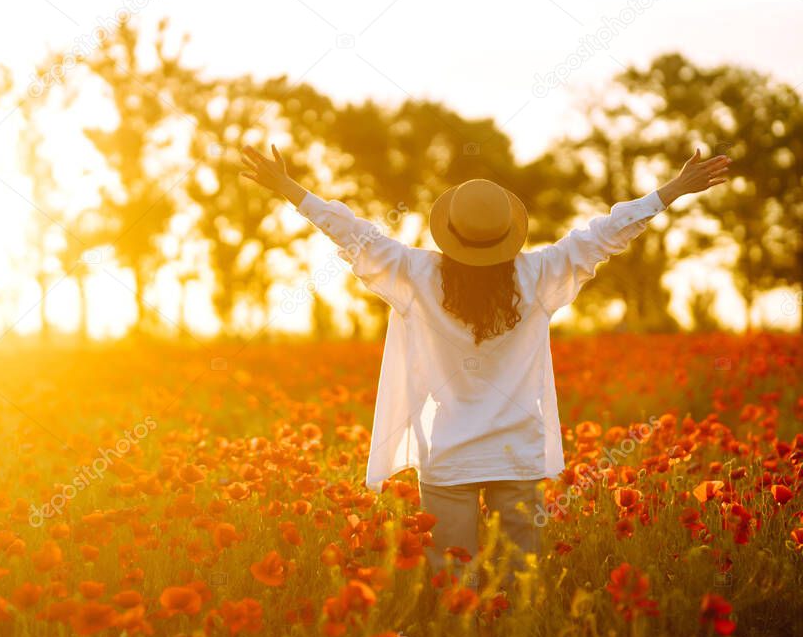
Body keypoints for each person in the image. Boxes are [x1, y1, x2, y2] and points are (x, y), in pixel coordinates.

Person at [239, 144, 731, 586]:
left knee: (454, 587)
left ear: (450, 232)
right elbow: (607, 233)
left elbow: (352, 235)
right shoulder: (539, 274)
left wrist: (288, 187)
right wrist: (672, 190)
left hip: (447, 457)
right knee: (519, 589)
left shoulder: (415, 274)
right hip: (515, 453)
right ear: (506, 235)